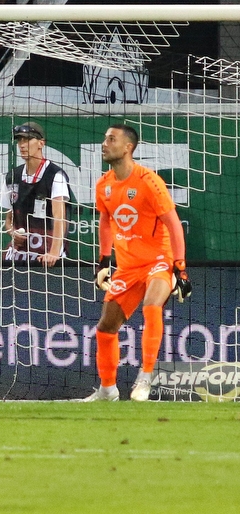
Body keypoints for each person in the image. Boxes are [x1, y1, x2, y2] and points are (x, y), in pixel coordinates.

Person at [84, 124, 191, 402]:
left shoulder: (149, 181)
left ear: (127, 147)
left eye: (111, 139)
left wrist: (179, 268)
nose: (104, 143)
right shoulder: (104, 184)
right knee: (106, 326)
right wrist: (104, 261)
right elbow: (106, 220)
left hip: (159, 259)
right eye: (104, 138)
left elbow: (173, 224)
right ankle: (107, 390)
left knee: (152, 305)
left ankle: (145, 378)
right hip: (128, 266)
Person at [0, 122, 70, 266]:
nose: (22, 145)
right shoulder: (12, 177)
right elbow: (9, 219)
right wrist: (13, 233)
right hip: (21, 252)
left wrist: (53, 253)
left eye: (27, 139)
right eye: (19, 140)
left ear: (41, 143)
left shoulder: (55, 176)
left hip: (47, 250)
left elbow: (60, 218)